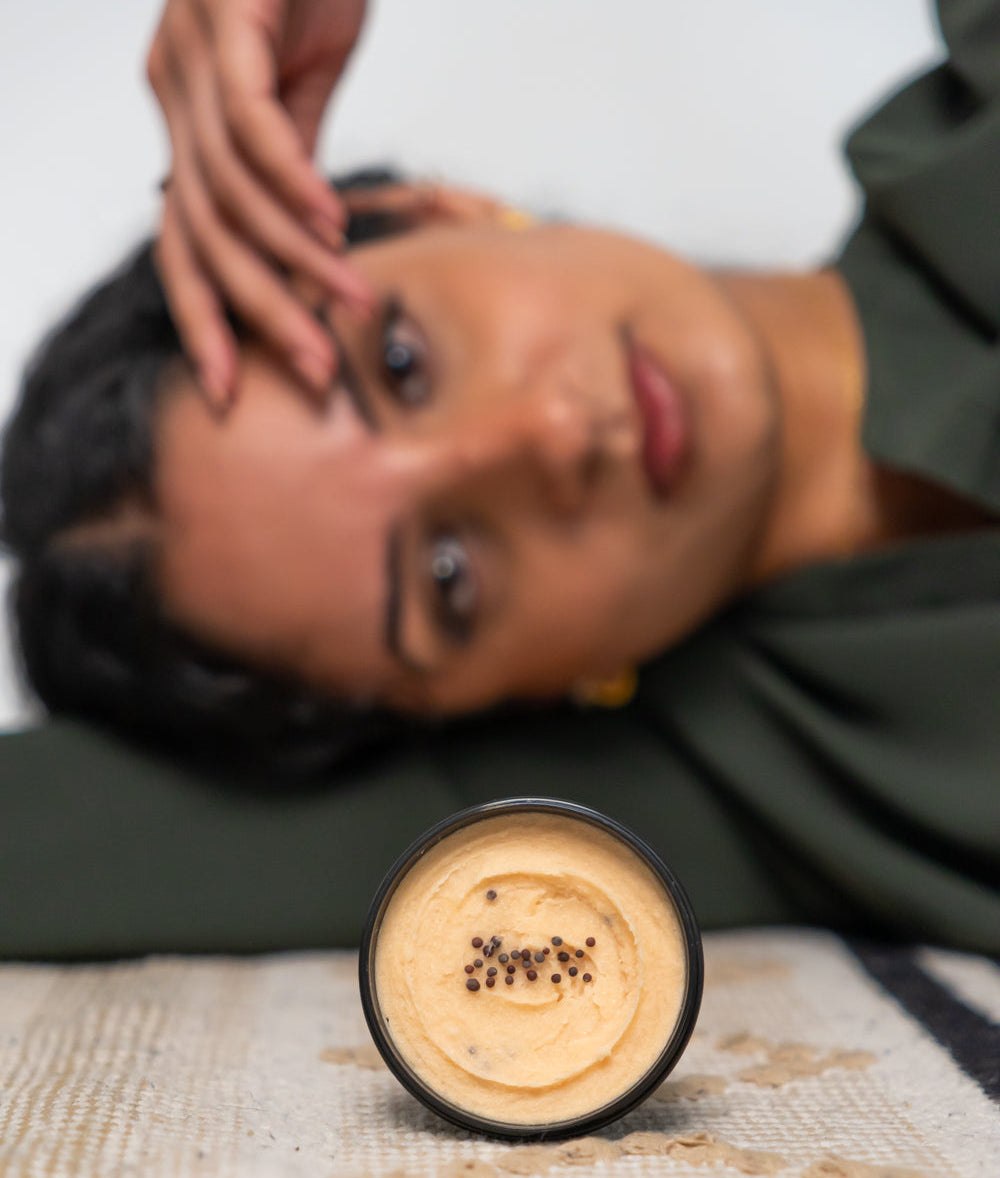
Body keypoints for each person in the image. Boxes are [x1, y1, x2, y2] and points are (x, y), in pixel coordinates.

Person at [0, 0, 997, 958]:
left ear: (438, 210)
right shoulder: (756, 789)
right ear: (508, 703)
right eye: (448, 576)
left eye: (403, 363)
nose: (551, 435)